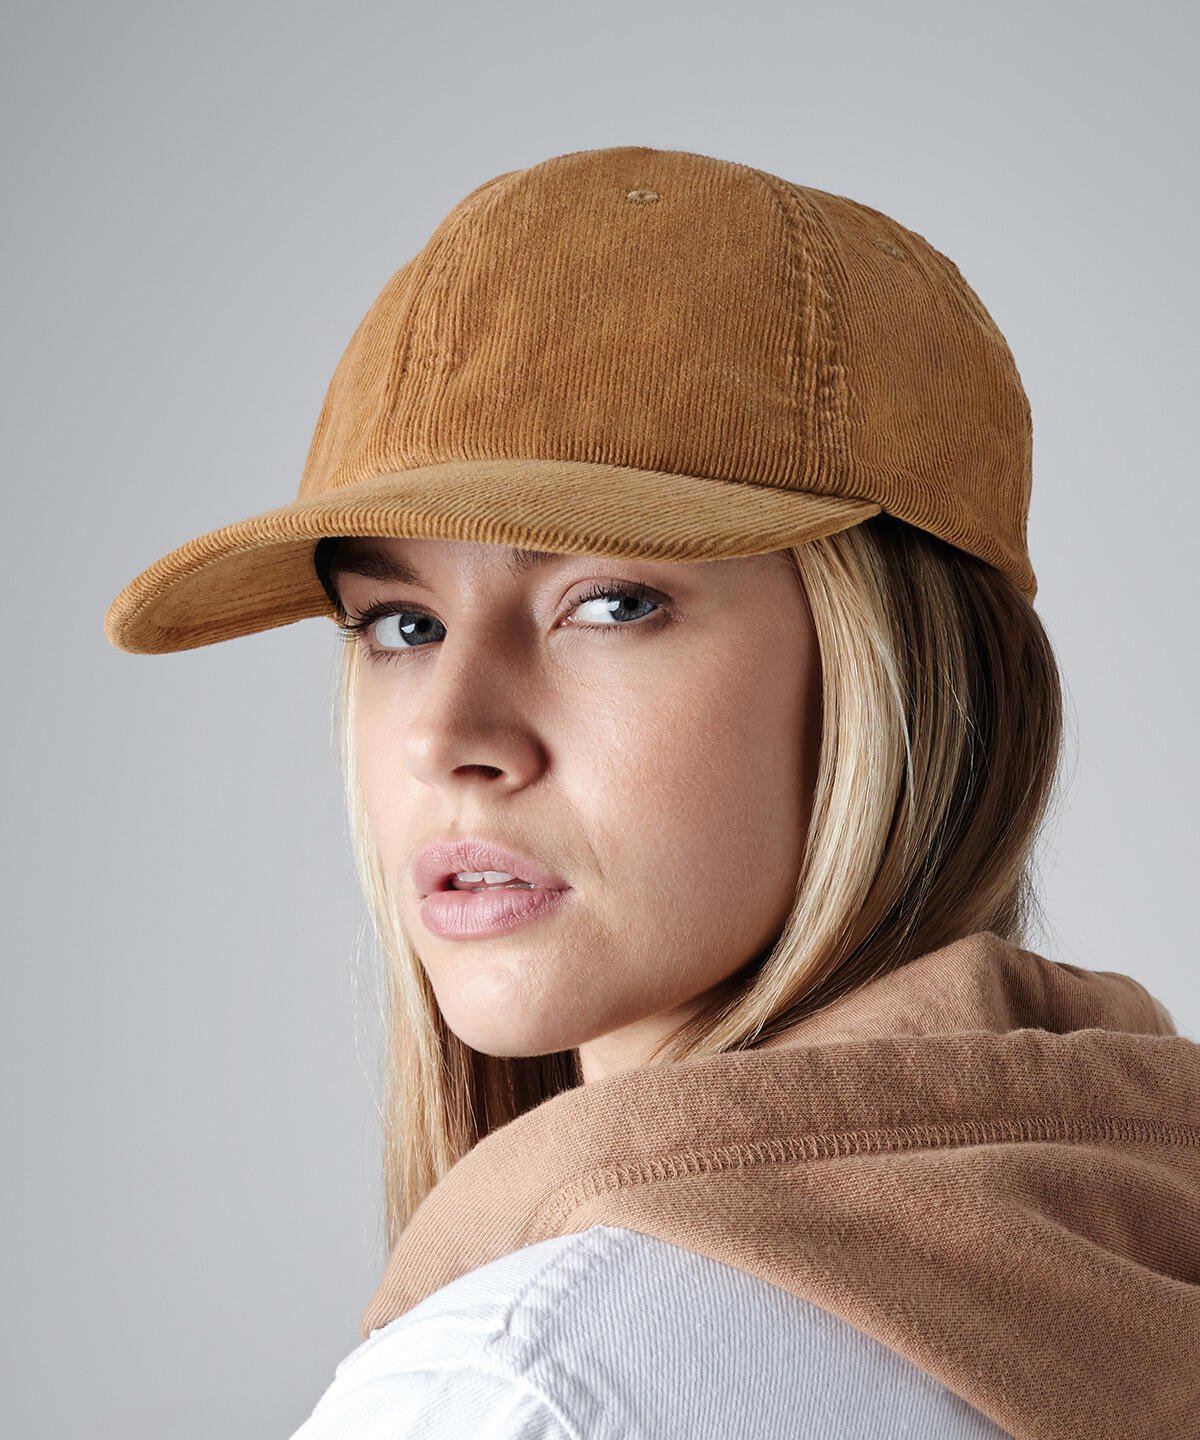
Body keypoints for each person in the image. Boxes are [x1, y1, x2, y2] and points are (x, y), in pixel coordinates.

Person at [103, 145, 1200, 1439]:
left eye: (611, 602)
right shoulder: (1137, 1228)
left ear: (899, 670)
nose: (448, 737)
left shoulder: (526, 1385)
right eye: (400, 624)